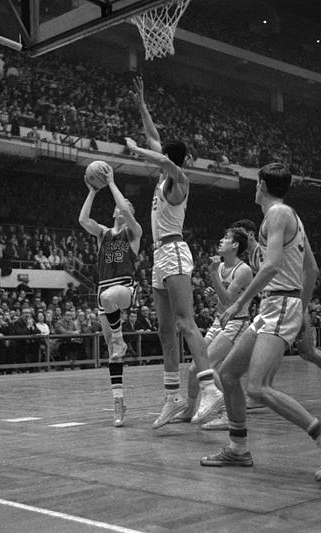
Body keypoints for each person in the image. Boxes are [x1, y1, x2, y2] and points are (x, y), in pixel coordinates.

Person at [200, 163, 321, 482]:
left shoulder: (277, 215)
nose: (255, 188)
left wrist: (241, 303)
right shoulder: (290, 216)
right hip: (279, 305)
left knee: (257, 387)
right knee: (228, 374)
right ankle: (238, 448)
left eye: (257, 183)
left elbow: (269, 267)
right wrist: (301, 308)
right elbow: (312, 270)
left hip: (279, 302)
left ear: (263, 186)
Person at [125, 76, 222, 428]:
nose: (156, 153)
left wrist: (136, 150)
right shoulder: (162, 175)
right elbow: (154, 138)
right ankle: (172, 397)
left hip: (176, 251)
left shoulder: (180, 180)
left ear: (168, 160)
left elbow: (156, 153)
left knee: (185, 322)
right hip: (158, 257)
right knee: (165, 329)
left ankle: (210, 389)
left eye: (159, 155)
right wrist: (141, 104)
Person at [229, 219, 321, 413]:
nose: (236, 239)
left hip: (291, 303)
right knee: (292, 349)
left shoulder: (267, 250)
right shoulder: (252, 257)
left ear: (250, 235)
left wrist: (301, 306)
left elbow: (304, 271)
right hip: (274, 306)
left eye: (239, 234)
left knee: (307, 351)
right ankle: (262, 390)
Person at [78, 160, 143, 427]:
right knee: (112, 354)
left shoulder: (133, 232)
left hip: (125, 288)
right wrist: (93, 191)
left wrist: (113, 182)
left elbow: (128, 213)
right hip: (105, 289)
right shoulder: (103, 234)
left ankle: (120, 338)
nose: (120, 205)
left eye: (125, 204)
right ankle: (119, 402)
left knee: (108, 301)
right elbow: (83, 220)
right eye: (118, 203)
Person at [173, 227, 253, 430]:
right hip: (220, 321)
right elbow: (222, 301)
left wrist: (213, 276)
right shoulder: (220, 267)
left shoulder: (243, 270)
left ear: (235, 245)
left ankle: (227, 413)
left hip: (237, 322)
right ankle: (190, 409)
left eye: (226, 238)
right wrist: (212, 296)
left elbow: (228, 299)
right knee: (195, 367)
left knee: (207, 364)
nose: (220, 240)